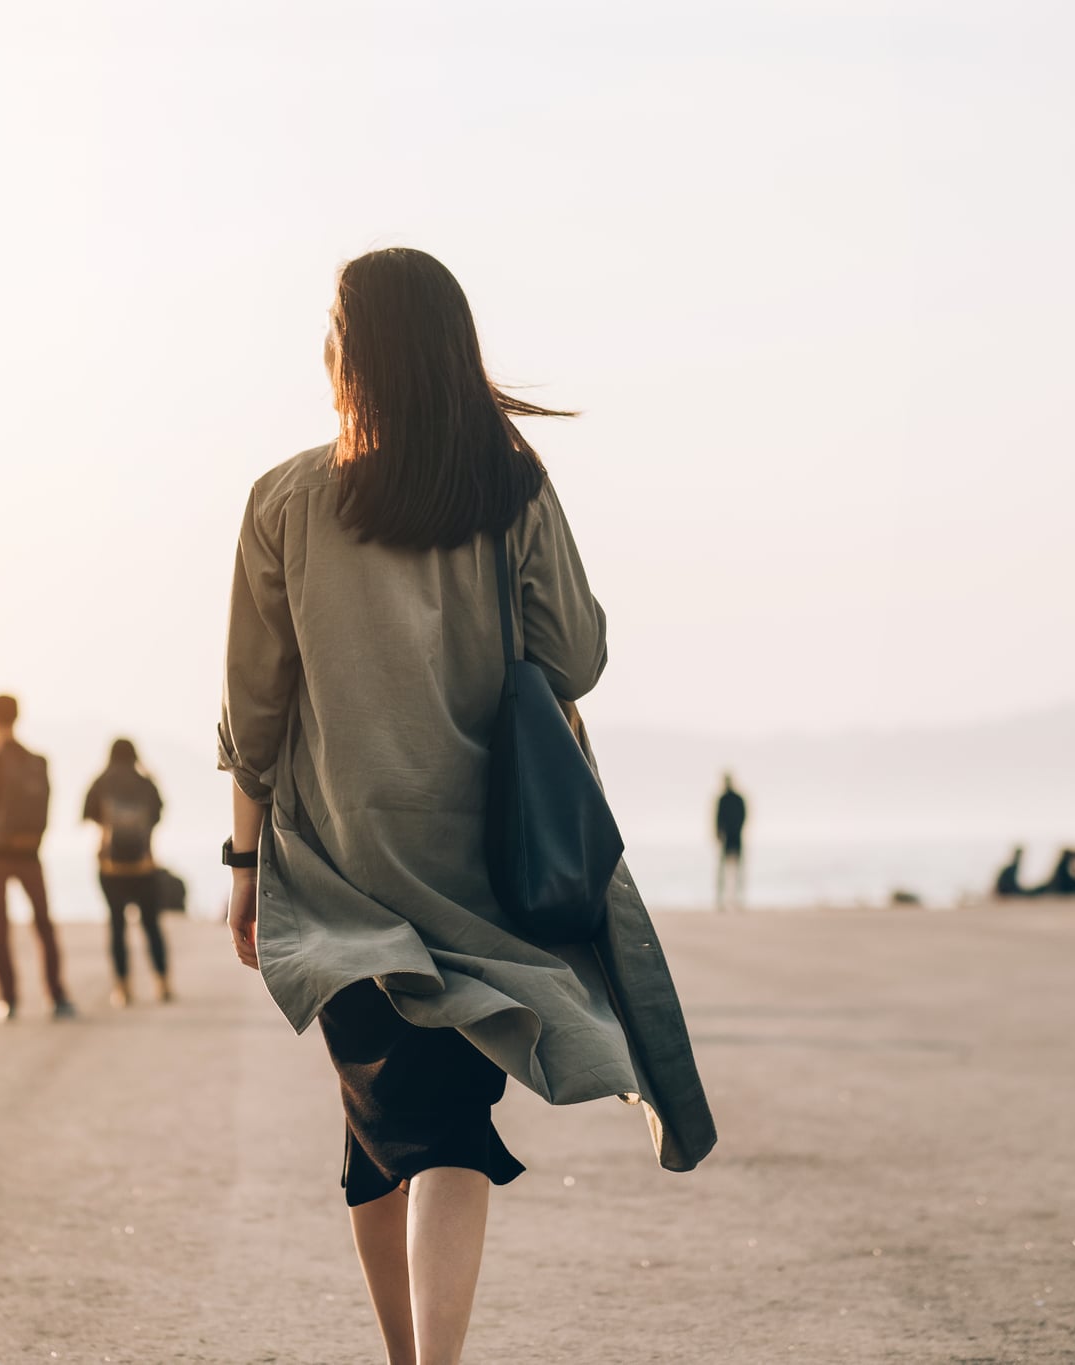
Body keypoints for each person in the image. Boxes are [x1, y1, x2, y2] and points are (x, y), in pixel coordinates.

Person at [219, 247, 713, 1365]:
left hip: (334, 874)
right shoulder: (508, 486)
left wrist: (241, 869)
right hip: (479, 877)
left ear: (351, 354)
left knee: (391, 1125)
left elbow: (252, 712)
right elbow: (574, 656)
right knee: (428, 1125)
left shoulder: (284, 500)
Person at [0, 695, 74, 1023]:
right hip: (29, 853)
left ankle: (8, 1000)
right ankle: (57, 995)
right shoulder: (34, 760)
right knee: (43, 924)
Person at [82, 738, 171, 1007]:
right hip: (144, 866)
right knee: (151, 925)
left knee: (117, 926)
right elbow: (157, 815)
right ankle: (162, 983)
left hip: (111, 868)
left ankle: (123, 988)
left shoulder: (100, 782)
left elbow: (89, 815)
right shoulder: (146, 783)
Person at [714, 772, 747, 911]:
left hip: (732, 837)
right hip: (730, 838)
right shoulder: (728, 799)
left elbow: (743, 816)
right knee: (727, 871)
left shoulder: (731, 799)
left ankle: (735, 899)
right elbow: (718, 818)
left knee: (735, 871)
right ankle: (724, 900)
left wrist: (720, 832)